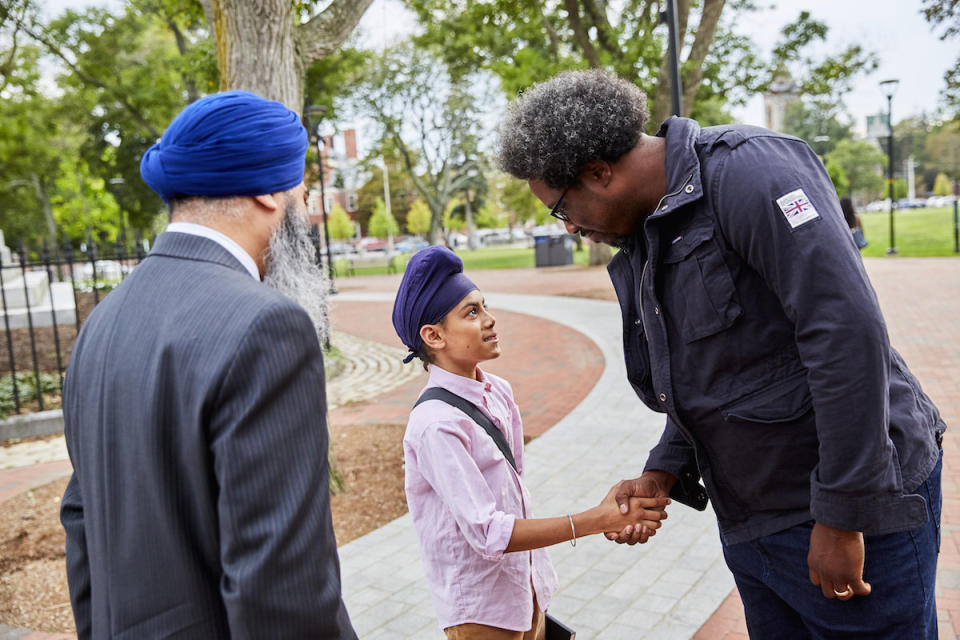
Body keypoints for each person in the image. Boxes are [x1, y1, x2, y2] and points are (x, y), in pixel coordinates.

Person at [497, 70, 945, 639]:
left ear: (598, 172)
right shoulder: (644, 236)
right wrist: (663, 470)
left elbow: (846, 336)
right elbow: (712, 372)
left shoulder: (752, 172)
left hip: (848, 506)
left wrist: (843, 513)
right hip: (754, 520)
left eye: (561, 209)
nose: (571, 227)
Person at [59, 91, 356, 639]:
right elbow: (280, 591)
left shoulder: (101, 324)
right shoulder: (268, 326)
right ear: (269, 191)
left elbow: (82, 526)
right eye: (303, 190)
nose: (308, 208)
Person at [392, 246, 669, 639]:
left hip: (528, 590)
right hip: (482, 612)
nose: (490, 320)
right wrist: (598, 519)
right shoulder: (436, 424)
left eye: (484, 306)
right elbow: (488, 532)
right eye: (471, 312)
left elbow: (514, 492)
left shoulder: (498, 392)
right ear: (433, 336)